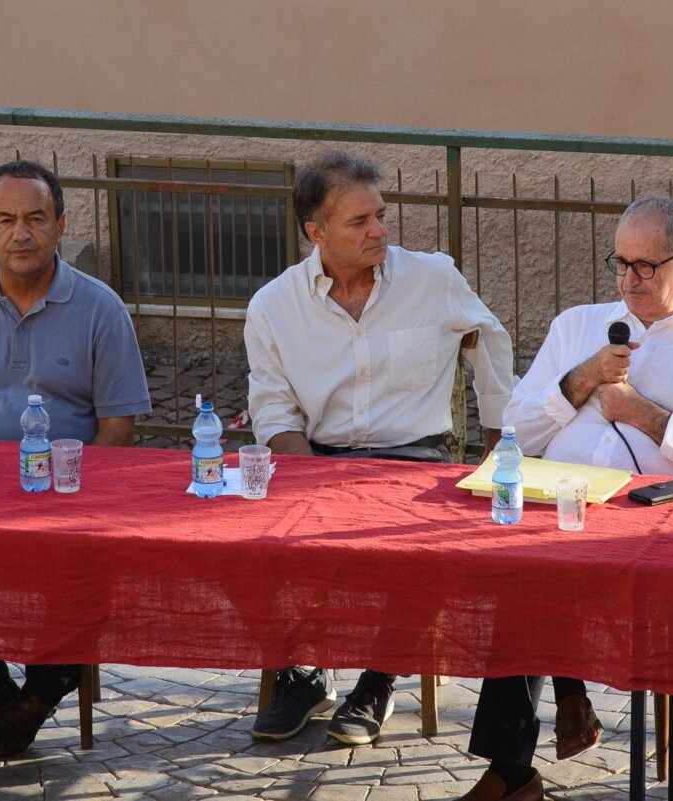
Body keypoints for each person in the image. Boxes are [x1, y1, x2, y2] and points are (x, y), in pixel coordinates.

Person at [459, 196, 673, 801]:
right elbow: (516, 431)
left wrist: (644, 415)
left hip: (651, 531)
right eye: (619, 263)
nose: (628, 280)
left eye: (646, 266)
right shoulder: (577, 325)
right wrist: (582, 380)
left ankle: (562, 705)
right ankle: (514, 770)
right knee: (516, 574)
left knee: (545, 583)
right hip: (558, 512)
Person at [244, 151, 517, 745]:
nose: (380, 231)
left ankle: (380, 676)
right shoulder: (273, 305)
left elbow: (492, 346)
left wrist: (498, 451)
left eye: (381, 215)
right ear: (316, 232)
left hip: (413, 460)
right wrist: (310, 478)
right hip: (315, 456)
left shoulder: (433, 279)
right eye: (360, 222)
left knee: (412, 546)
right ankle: (306, 674)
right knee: (262, 541)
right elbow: (271, 407)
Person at [0, 160, 151, 758]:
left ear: (60, 225)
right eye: (7, 220)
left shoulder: (101, 308)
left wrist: (74, 491)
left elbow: (119, 427)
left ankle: (37, 698)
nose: (22, 233)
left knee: (97, 574)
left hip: (67, 500)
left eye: (36, 218)